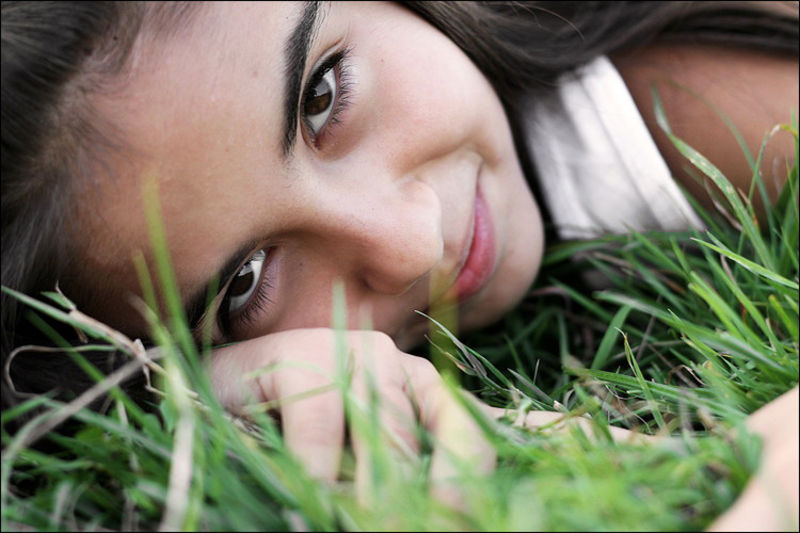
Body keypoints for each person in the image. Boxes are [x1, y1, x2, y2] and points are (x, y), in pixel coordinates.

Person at [2, 0, 797, 529]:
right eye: (245, 283)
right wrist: (177, 390)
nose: (411, 242)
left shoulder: (698, 101)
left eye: (323, 95)